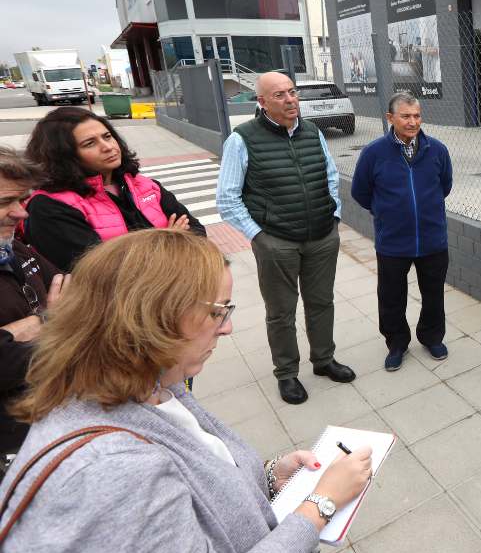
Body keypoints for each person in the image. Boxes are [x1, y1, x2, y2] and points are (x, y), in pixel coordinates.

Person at [0, 229, 373, 553]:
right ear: (150, 319)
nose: (227, 327)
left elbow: (200, 491)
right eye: (217, 311)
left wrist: (272, 476)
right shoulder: (109, 474)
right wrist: (320, 506)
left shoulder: (154, 384)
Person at [216, 71, 356, 405]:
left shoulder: (312, 132)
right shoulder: (242, 140)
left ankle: (323, 360)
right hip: (276, 241)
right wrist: (260, 236)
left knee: (321, 302)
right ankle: (287, 374)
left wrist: (334, 215)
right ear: (261, 102)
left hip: (322, 235)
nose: (290, 99)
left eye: (292, 92)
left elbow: (330, 175)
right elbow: (227, 198)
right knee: (281, 312)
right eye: (279, 95)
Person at [22, 107, 205, 271]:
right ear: (63, 156)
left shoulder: (143, 185)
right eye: (89, 143)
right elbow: (102, 271)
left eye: (107, 136)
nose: (108, 147)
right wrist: (170, 239)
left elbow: (197, 231)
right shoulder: (49, 207)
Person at [351, 91, 453, 371]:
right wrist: (386, 212)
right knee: (391, 297)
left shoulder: (438, 150)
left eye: (417, 115)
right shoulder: (374, 153)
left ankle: (432, 337)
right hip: (392, 242)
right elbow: (360, 192)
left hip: (433, 240)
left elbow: (445, 186)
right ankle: (396, 343)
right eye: (406, 116)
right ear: (390, 118)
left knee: (434, 294)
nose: (412, 122)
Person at [0, 147, 67, 475]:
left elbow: (76, 294)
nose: (20, 213)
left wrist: (19, 332)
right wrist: (49, 319)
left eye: (21, 199)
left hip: (48, 421)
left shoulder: (13, 248)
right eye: (4, 203)